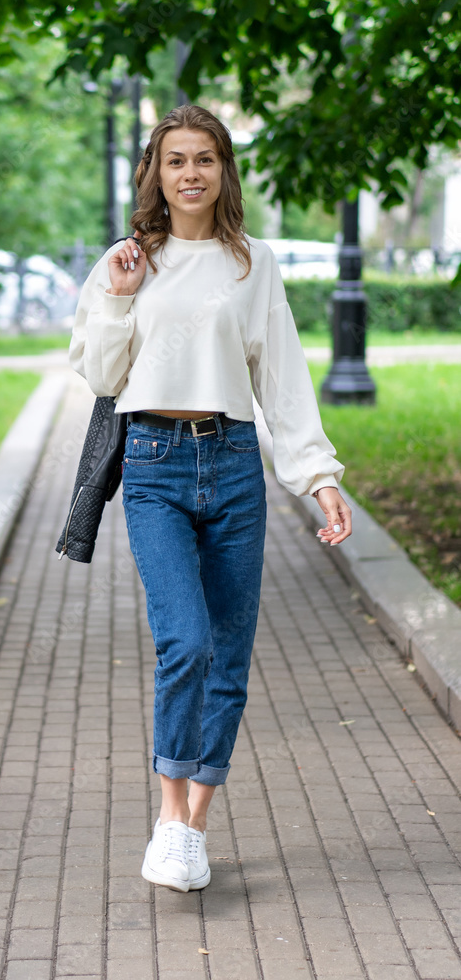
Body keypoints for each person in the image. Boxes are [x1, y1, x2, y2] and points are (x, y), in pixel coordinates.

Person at [69, 103, 352, 892]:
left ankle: (193, 828)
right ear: (155, 175)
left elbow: (283, 382)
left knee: (227, 655)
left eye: (203, 158)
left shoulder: (252, 263)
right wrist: (122, 297)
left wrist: (318, 478)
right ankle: (166, 815)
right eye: (174, 160)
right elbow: (98, 375)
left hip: (232, 465)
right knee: (185, 643)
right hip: (154, 464)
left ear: (223, 169)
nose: (189, 173)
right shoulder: (126, 259)